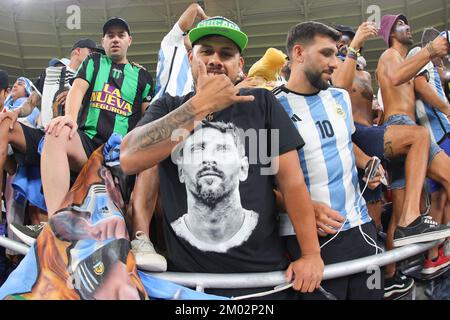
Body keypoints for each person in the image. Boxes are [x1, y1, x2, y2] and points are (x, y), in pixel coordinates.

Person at [121, 16, 323, 298]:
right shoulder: (168, 106)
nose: (215, 59)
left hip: (264, 282)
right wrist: (200, 106)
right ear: (191, 58)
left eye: (226, 54)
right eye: (206, 52)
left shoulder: (262, 103)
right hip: (191, 287)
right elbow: (130, 157)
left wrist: (311, 254)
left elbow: (291, 182)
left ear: (240, 65)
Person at [273, 21, 393, 300]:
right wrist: (303, 207)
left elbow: (344, 142)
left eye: (337, 54)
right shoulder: (271, 107)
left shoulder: (339, 97)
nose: (336, 64)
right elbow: (258, 182)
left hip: (362, 229)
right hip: (312, 237)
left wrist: (368, 163)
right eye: (326, 54)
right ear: (299, 53)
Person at [1, 39, 102, 241]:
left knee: (39, 211)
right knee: (4, 124)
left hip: (72, 138)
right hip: (42, 132)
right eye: (91, 53)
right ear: (78, 52)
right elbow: (31, 104)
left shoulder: (93, 76)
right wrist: (16, 112)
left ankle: (57, 234)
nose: (95, 59)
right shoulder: (50, 73)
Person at [376, 14, 450, 285]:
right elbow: (395, 78)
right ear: (391, 34)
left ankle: (392, 275)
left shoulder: (407, 61)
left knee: (399, 213)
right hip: (404, 127)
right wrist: (430, 50)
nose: (408, 27)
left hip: (404, 131)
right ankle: (433, 249)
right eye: (400, 25)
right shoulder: (389, 56)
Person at [171, 121, 259, 252]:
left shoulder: (257, 226)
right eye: (197, 149)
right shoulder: (175, 231)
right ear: (181, 171)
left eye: (223, 148)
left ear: (243, 168)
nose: (208, 158)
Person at [407, 27, 450, 275]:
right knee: (436, 197)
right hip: (435, 135)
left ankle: (438, 251)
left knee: (441, 196)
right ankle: (432, 254)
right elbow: (421, 87)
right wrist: (447, 109)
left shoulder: (435, 66)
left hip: (441, 134)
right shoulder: (419, 53)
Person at [152, 2, 207, 101]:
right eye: (191, 34)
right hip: (163, 106)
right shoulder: (173, 41)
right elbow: (194, 8)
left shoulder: (199, 59)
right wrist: (205, 18)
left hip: (188, 108)